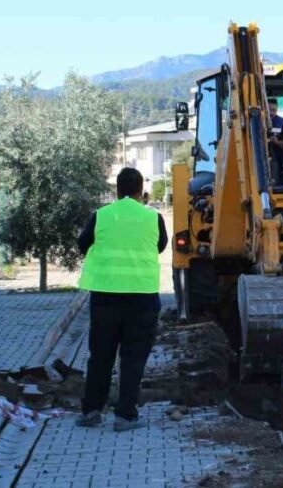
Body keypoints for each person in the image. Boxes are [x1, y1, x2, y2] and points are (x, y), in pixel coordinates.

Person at [76, 167, 168, 432]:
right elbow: (160, 246)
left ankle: (92, 411)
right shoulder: (153, 217)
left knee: (100, 357)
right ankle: (125, 416)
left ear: (116, 190)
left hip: (105, 298)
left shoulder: (101, 215)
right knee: (133, 358)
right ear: (141, 192)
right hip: (142, 298)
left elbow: (82, 245)